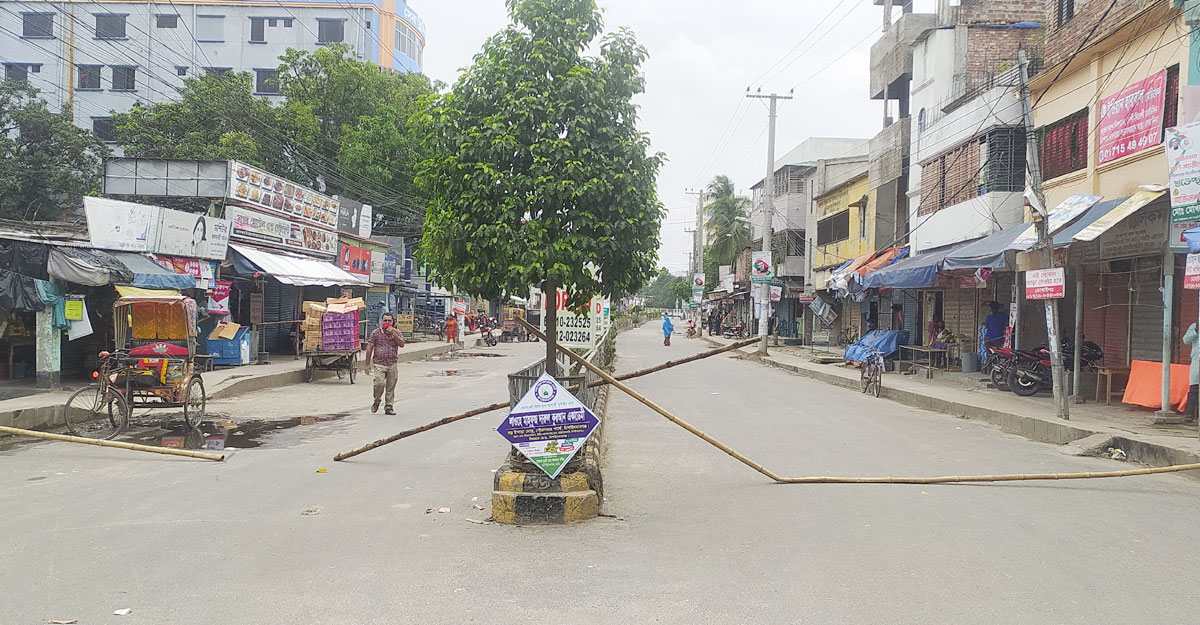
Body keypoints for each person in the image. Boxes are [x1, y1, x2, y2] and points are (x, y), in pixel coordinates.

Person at [364, 312, 406, 414]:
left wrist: (394, 334)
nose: (387, 322)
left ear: (393, 322)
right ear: (381, 321)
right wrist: (367, 364)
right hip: (379, 363)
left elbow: (402, 344)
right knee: (379, 383)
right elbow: (369, 348)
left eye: (389, 321)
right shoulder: (375, 333)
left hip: (392, 363)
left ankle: (389, 406)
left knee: (391, 386)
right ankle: (377, 400)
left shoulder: (397, 332)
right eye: (385, 320)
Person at [1184, 322, 1199, 423]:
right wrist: (1196, 331)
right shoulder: (1194, 326)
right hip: (1197, 360)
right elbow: (1185, 340)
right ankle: (1190, 413)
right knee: (1194, 388)